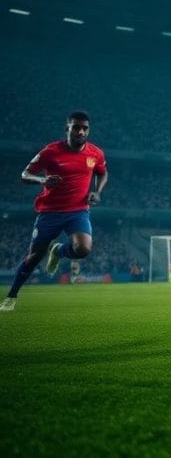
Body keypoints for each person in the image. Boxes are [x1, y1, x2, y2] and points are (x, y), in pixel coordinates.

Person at [2, 111, 108, 312]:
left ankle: (58, 251)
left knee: (83, 249)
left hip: (78, 210)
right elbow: (25, 174)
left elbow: (103, 173)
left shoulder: (95, 153)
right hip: (49, 212)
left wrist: (97, 192)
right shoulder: (51, 152)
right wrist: (42, 180)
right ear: (67, 128)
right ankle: (11, 296)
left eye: (85, 128)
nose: (81, 131)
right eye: (76, 127)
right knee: (34, 257)